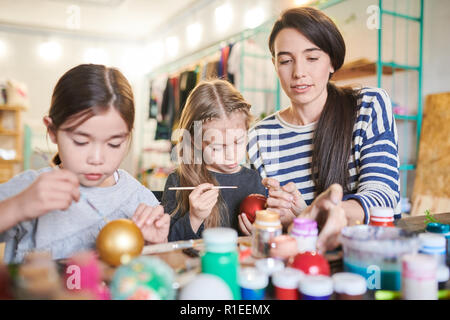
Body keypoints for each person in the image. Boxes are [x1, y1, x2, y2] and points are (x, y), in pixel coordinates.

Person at [247, 7, 400, 253]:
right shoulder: (259, 138)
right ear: (275, 65)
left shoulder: (368, 106)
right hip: (302, 262)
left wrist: (323, 213)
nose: (298, 72)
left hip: (366, 255)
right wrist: (274, 222)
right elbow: (272, 220)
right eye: (286, 60)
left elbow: (383, 194)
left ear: (332, 61)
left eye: (312, 58)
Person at [0, 64, 170, 264]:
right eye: (81, 142)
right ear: (52, 130)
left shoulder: (139, 200)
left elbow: (154, 279)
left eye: (114, 143)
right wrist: (18, 206)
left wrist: (156, 247)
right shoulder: (30, 189)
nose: (97, 159)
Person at [162, 79, 265, 241]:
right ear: (195, 140)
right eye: (217, 147)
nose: (231, 155)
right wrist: (194, 218)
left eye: (238, 141)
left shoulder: (254, 179)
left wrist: (258, 234)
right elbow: (168, 244)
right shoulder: (178, 182)